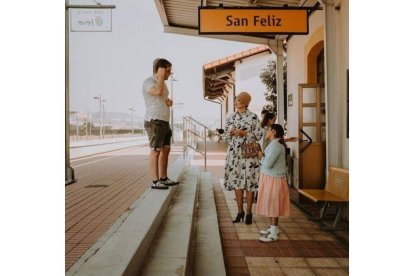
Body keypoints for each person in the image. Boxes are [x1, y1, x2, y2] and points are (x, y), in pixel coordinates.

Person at [223, 92, 262, 225]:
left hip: (249, 154)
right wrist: (231, 132)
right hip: (234, 154)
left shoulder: (253, 117)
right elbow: (225, 137)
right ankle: (240, 211)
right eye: (235, 99)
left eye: (239, 100)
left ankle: (249, 212)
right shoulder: (231, 117)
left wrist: (245, 133)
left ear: (245, 103)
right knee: (236, 182)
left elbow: (258, 135)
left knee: (249, 183)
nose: (236, 101)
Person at [143, 58, 179, 190]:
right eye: (168, 71)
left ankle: (164, 178)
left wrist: (168, 102)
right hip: (154, 121)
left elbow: (161, 97)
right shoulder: (149, 82)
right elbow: (157, 92)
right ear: (160, 69)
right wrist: (160, 75)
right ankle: (155, 181)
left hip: (164, 121)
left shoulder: (162, 84)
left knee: (166, 149)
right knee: (155, 151)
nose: (169, 74)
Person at [256, 124, 291, 242]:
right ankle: (272, 228)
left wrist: (261, 156)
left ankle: (273, 234)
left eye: (269, 130)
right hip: (271, 177)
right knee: (271, 204)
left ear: (273, 131)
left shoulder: (276, 145)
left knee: (273, 205)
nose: (266, 131)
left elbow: (268, 163)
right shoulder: (275, 143)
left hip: (274, 179)